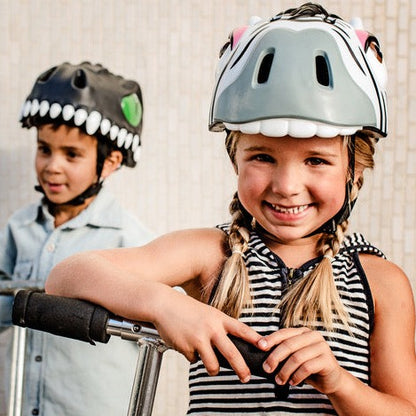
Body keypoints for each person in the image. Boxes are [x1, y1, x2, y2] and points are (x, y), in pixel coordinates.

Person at [46, 4, 416, 415]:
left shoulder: (380, 282)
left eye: (316, 160)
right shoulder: (213, 255)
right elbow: (66, 276)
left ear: (355, 170)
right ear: (235, 159)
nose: (287, 187)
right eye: (262, 157)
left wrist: (340, 383)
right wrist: (166, 305)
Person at [0, 62, 153, 415]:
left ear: (110, 161)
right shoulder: (17, 229)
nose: (52, 165)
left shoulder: (132, 241)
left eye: (72, 154)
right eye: (44, 149)